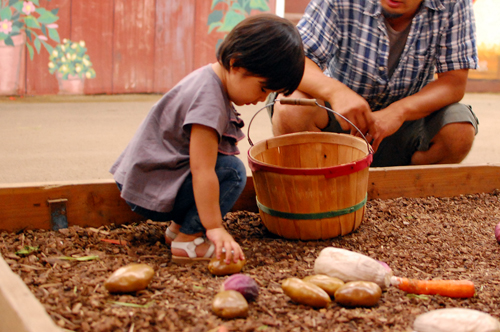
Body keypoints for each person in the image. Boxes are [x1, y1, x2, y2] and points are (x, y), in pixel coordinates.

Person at [109, 14, 305, 264]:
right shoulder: (209, 101)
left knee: (222, 164)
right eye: (263, 89)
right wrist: (214, 227)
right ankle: (189, 240)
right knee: (231, 172)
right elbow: (201, 169)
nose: (260, 99)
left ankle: (179, 229)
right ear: (236, 64)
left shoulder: (209, 80)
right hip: (151, 188)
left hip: (150, 180)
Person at [268, 0, 479, 167]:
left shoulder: (454, 3)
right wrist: (335, 91)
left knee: (459, 131)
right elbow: (298, 60)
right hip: (338, 124)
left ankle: (404, 190)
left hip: (405, 127)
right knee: (290, 107)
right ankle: (321, 181)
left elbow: (453, 82)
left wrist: (400, 111)